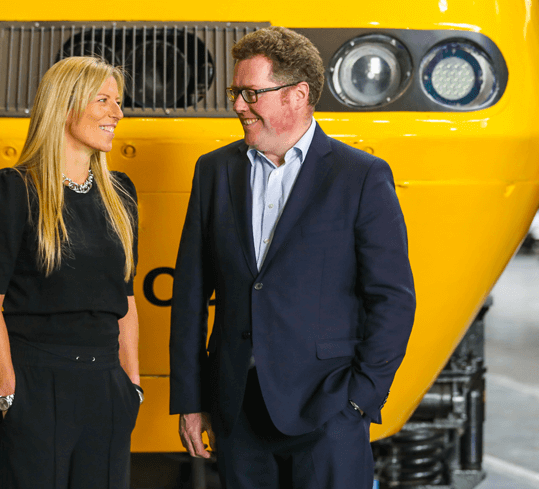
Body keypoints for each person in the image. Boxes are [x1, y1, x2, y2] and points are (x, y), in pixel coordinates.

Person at [169, 27, 416, 488]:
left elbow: (393, 299)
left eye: (251, 93)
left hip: (329, 413)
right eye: (235, 92)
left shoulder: (360, 177)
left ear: (298, 94)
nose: (238, 105)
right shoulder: (214, 172)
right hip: (237, 414)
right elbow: (190, 295)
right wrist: (190, 400)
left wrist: (360, 400)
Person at [0, 56, 142, 489]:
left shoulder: (121, 194)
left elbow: (125, 299)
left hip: (107, 386)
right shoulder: (12, 189)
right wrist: (8, 391)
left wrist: (132, 385)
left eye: (118, 102)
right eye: (103, 100)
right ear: (65, 105)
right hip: (36, 384)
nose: (117, 113)